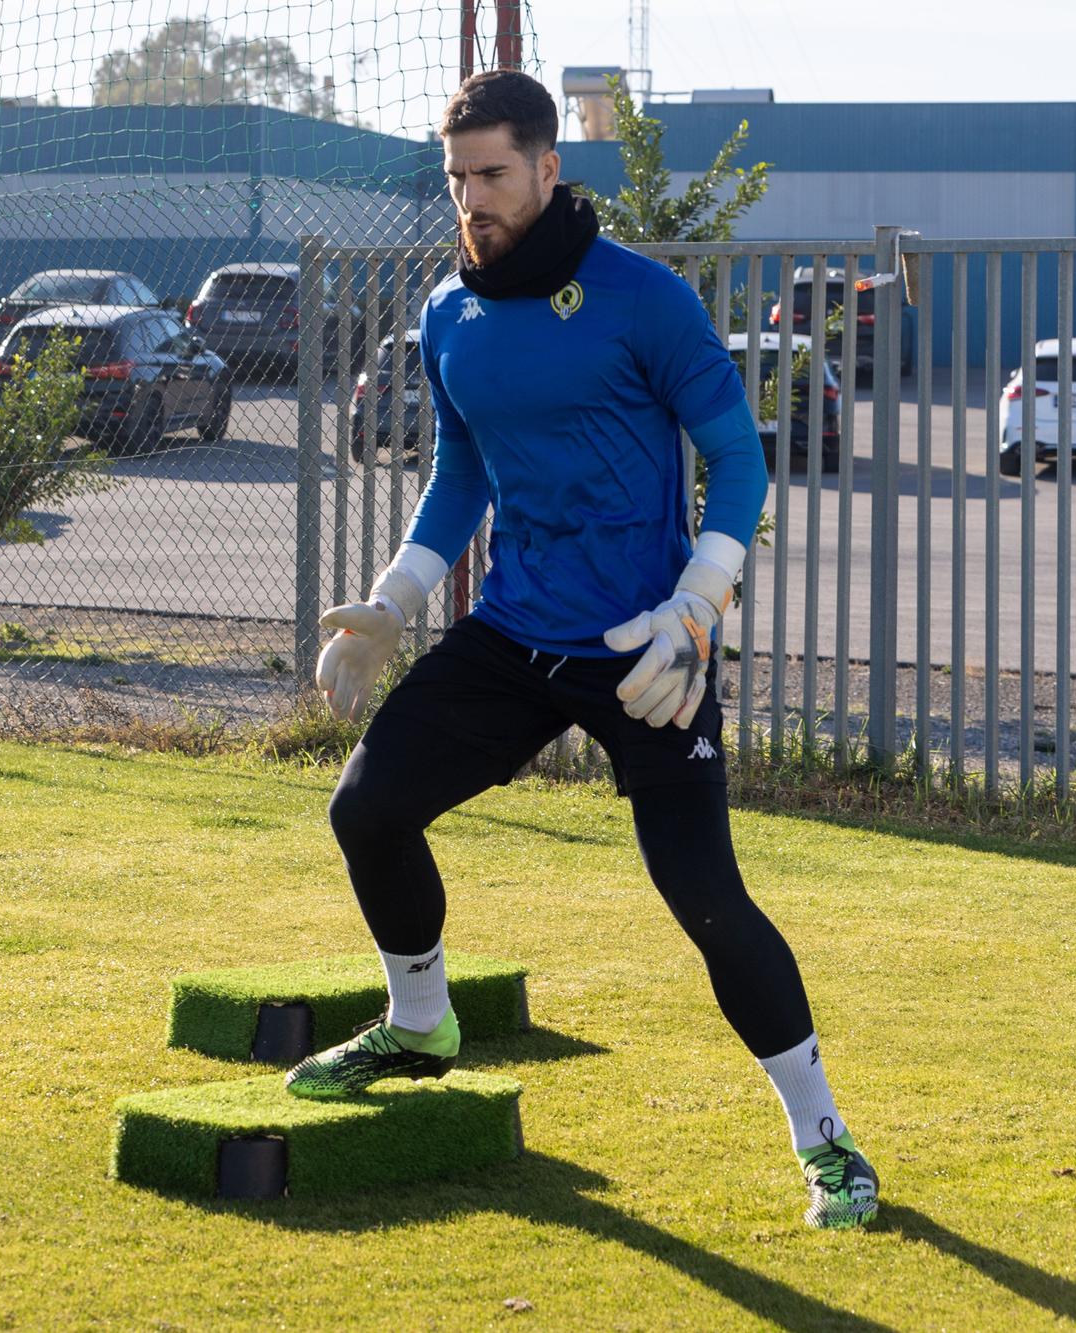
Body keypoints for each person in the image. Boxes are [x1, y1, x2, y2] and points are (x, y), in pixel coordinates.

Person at [288, 71, 877, 1231]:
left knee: (703, 897)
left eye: (492, 175)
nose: (471, 200)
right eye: (455, 179)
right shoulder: (447, 315)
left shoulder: (641, 300)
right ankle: (419, 1026)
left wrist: (697, 606)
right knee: (365, 809)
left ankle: (826, 1143)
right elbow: (460, 475)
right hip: (513, 635)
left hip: (645, 643)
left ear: (549, 168)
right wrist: (396, 597)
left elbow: (738, 460)